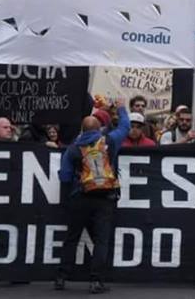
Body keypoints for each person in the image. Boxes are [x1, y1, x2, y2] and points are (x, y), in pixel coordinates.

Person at [56, 102, 130, 293]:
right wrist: (121, 108)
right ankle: (96, 281)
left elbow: (64, 176)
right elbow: (125, 127)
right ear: (100, 129)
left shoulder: (73, 148)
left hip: (80, 197)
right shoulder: (110, 141)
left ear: (82, 129)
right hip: (105, 198)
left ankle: (61, 277)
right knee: (101, 240)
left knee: (72, 238)